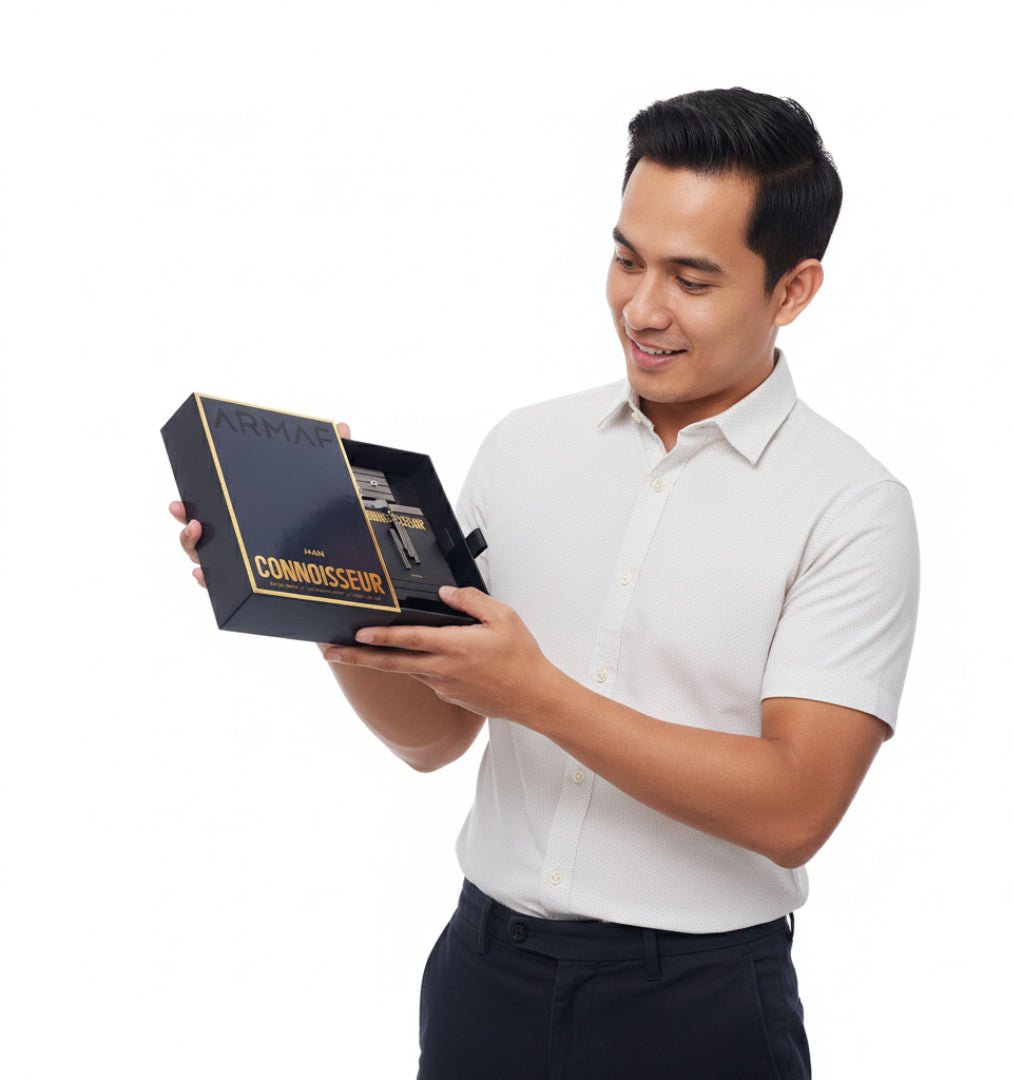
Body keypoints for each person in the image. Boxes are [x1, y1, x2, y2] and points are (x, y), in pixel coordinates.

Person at [171, 87, 919, 1079]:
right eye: (626, 259)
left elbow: (795, 806)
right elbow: (435, 738)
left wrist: (538, 693)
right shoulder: (525, 447)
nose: (642, 309)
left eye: (692, 279)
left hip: (697, 1006)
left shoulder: (852, 506)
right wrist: (325, 595)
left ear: (794, 289)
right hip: (487, 975)